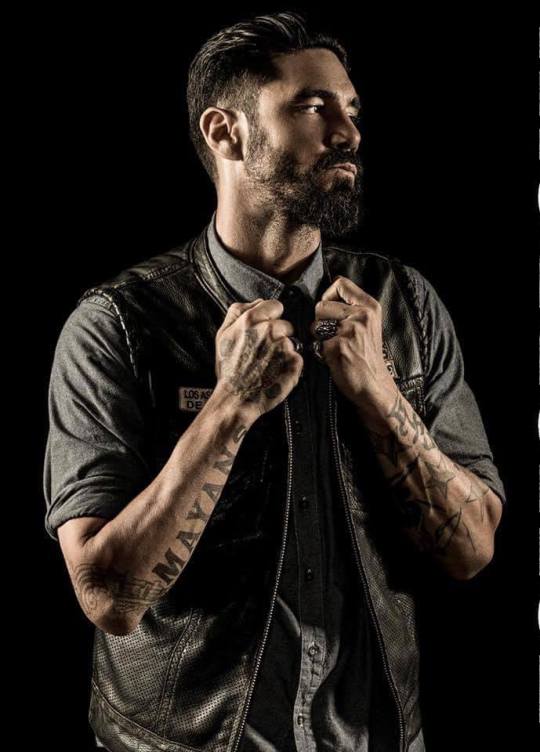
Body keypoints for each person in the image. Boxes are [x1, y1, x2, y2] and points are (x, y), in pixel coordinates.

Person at [43, 11, 507, 752]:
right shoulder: (117, 325)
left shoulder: (406, 306)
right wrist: (229, 406)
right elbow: (108, 597)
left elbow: (473, 549)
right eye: (313, 107)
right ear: (225, 133)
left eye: (351, 110)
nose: (348, 134)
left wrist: (379, 393)